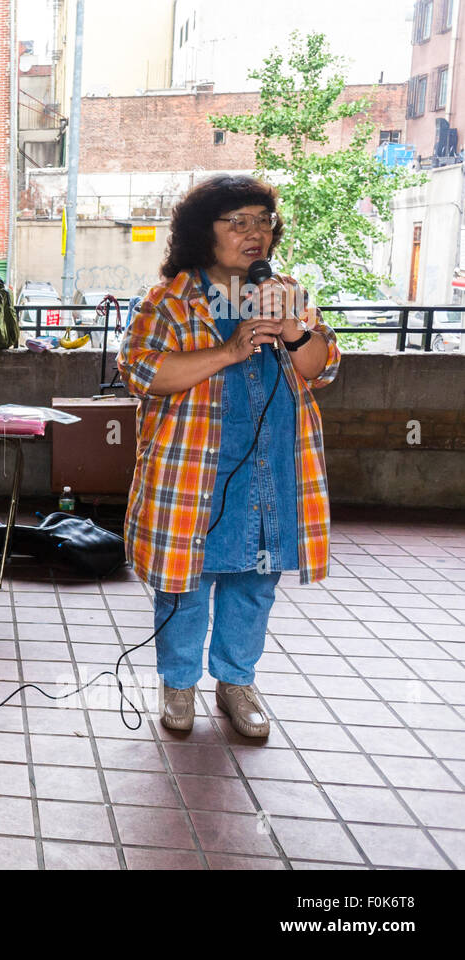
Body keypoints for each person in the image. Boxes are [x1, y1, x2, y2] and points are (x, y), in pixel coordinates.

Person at [116, 175, 341, 738]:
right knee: (184, 584)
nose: (254, 234)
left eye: (262, 221)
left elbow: (323, 368)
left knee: (255, 581)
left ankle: (237, 680)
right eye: (237, 222)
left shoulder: (285, 293)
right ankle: (179, 682)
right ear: (203, 232)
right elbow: (143, 373)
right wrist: (227, 350)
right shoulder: (169, 299)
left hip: (272, 469)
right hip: (191, 471)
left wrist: (293, 330)